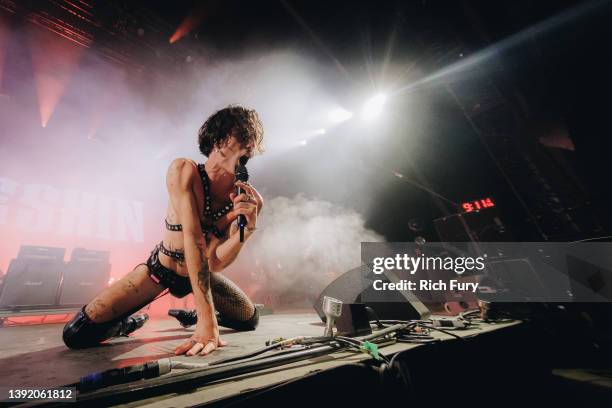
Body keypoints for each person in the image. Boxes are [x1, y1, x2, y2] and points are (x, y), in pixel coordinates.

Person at [62, 106, 264, 357]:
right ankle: (128, 323)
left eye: (248, 142)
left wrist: (245, 232)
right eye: (237, 136)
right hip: (162, 270)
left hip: (202, 274)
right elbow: (193, 239)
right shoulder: (183, 170)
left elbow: (215, 261)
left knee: (250, 319)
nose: (245, 144)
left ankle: (192, 316)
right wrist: (207, 319)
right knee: (76, 334)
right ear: (216, 139)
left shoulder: (246, 198)